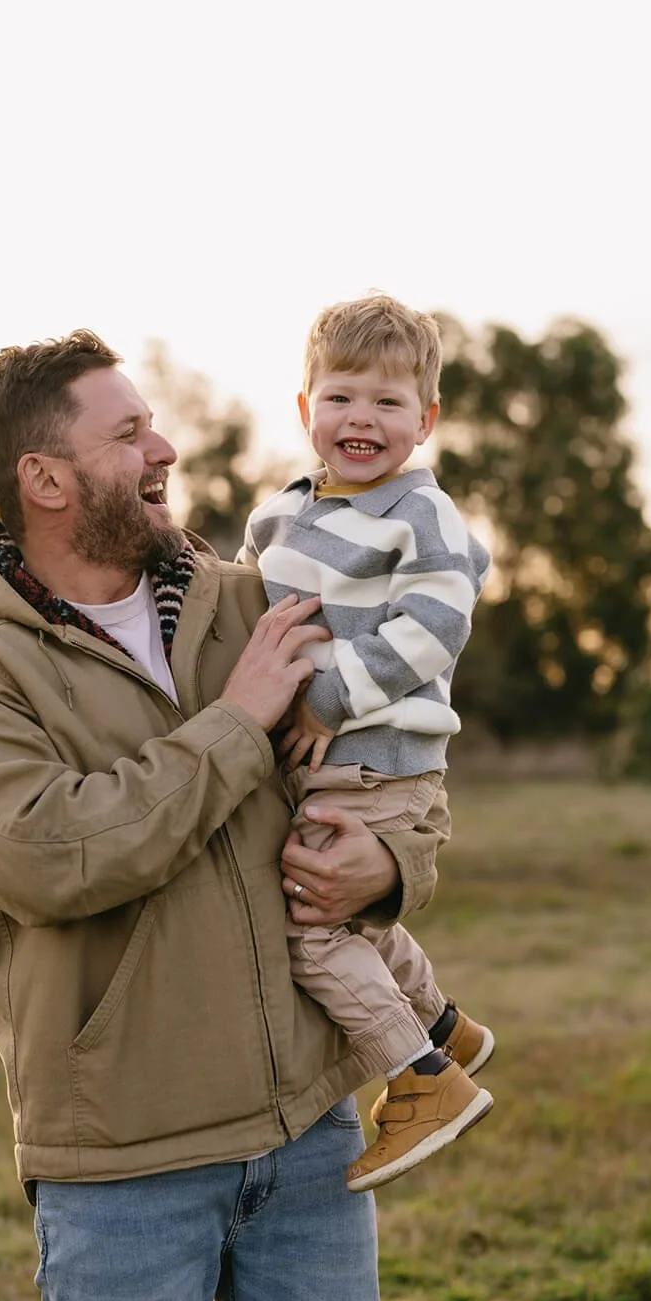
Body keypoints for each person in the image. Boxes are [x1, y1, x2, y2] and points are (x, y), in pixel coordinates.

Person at [0, 329, 452, 1301]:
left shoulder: (251, 598)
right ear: (46, 479)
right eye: (127, 433)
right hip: (122, 1161)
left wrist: (389, 866)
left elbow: (404, 760)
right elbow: (47, 855)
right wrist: (238, 721)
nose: (163, 445)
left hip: (309, 1140)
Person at [238, 293, 494, 1192]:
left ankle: (422, 1078)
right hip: (320, 762)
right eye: (342, 397)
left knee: (314, 928)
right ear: (306, 410)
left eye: (389, 404)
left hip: (376, 757)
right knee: (340, 912)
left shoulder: (421, 516)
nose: (363, 420)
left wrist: (326, 699)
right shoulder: (279, 516)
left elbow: (432, 629)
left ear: (425, 421)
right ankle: (442, 1024)